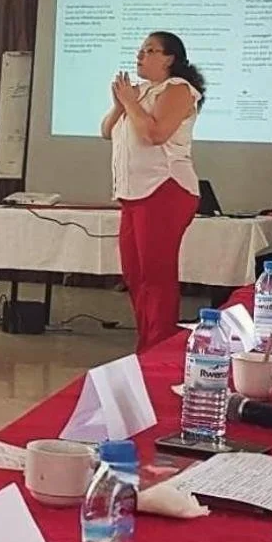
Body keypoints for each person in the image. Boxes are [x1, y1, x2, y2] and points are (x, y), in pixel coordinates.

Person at [101, 31, 205, 353]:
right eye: (140, 50)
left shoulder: (178, 89)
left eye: (150, 50)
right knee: (135, 275)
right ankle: (146, 345)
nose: (140, 56)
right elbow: (106, 131)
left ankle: (157, 351)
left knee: (156, 276)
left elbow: (155, 134)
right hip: (133, 195)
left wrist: (131, 103)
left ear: (169, 58)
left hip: (165, 190)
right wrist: (121, 104)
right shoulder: (141, 93)